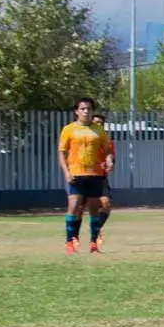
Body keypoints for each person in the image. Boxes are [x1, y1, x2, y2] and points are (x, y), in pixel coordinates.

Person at [58, 99, 115, 254]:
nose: (86, 111)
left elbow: (108, 149)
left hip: (95, 174)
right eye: (82, 108)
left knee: (94, 209)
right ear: (77, 111)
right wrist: (66, 172)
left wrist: (109, 159)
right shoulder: (69, 129)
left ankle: (93, 244)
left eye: (89, 109)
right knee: (74, 206)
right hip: (76, 173)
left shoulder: (98, 130)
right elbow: (62, 153)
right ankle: (70, 242)